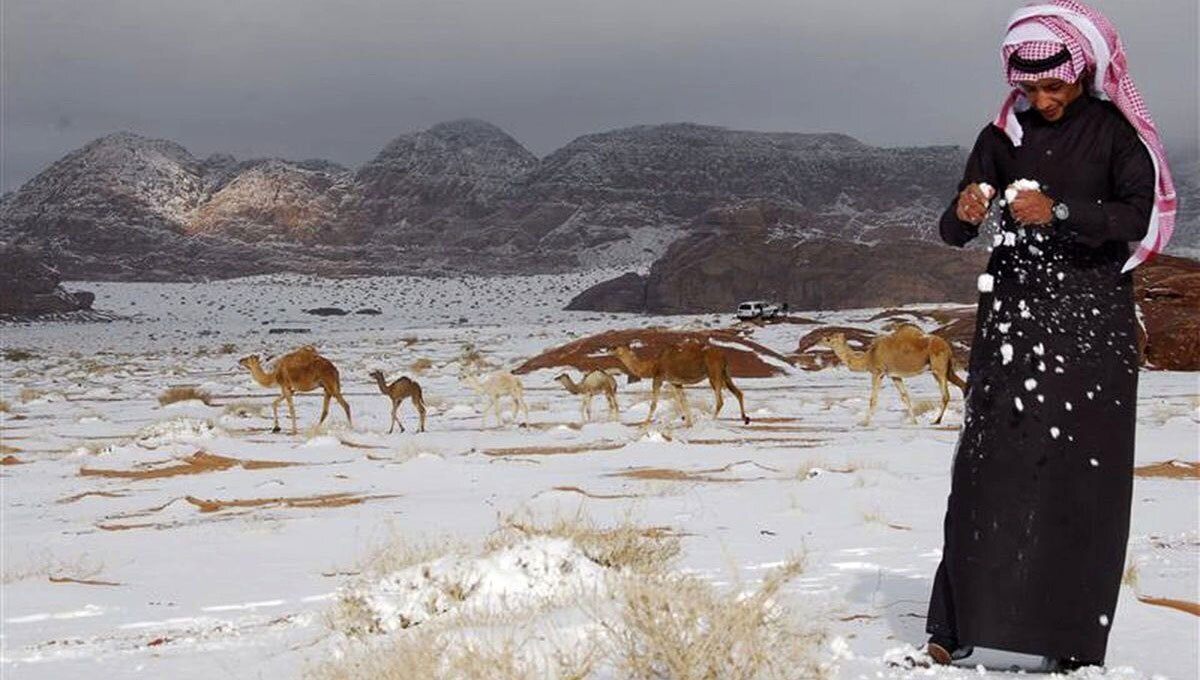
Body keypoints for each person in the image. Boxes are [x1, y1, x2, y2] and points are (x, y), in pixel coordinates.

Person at [925, 0, 1177, 671]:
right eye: (1029, 88)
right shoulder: (999, 138)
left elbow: (1136, 215)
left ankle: (1067, 639)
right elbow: (952, 232)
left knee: (1081, 478)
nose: (1042, 99)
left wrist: (1059, 211)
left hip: (1093, 321)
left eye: (1054, 86)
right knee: (986, 469)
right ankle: (956, 626)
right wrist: (964, 209)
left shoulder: (1115, 135)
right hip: (1011, 319)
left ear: (1081, 71)